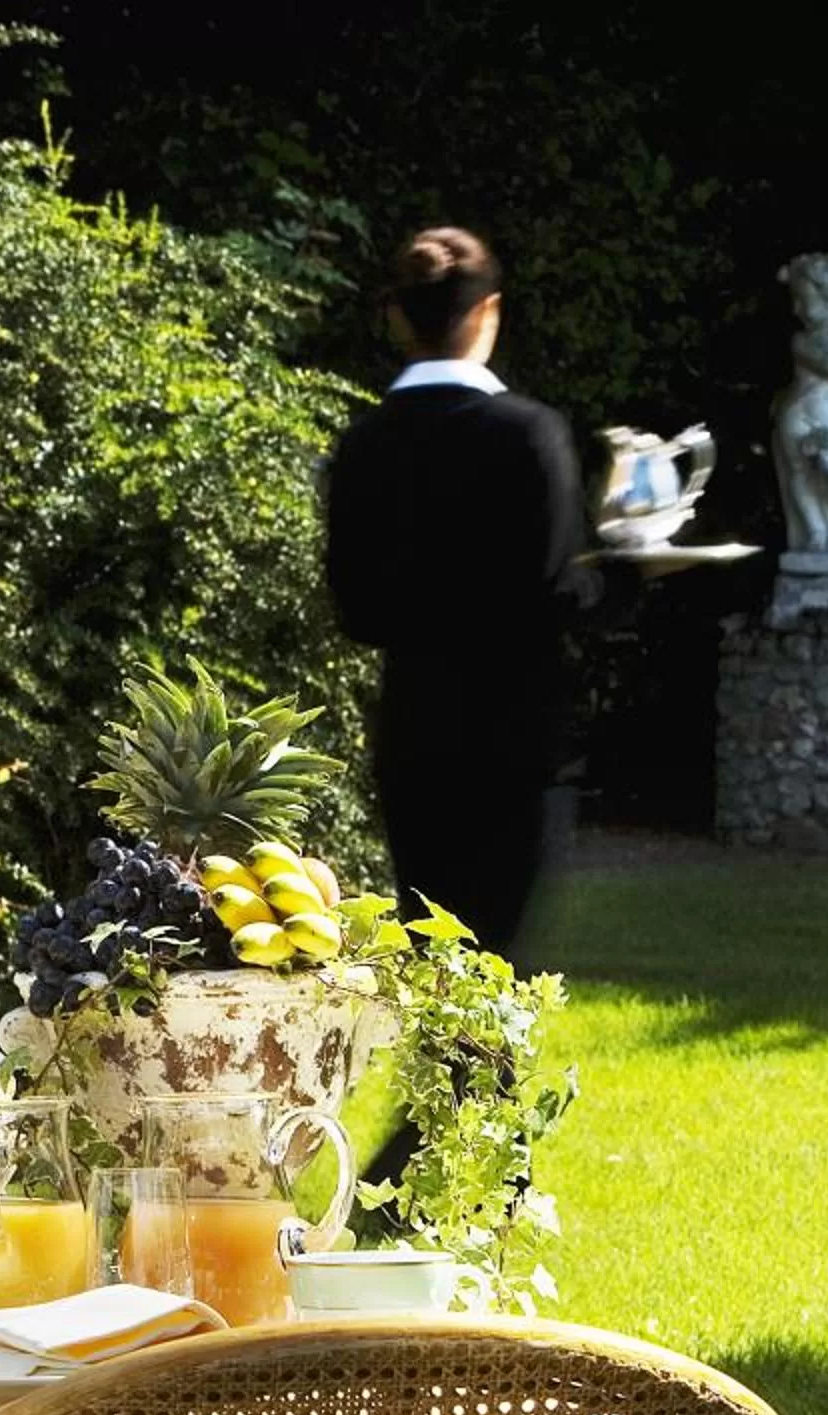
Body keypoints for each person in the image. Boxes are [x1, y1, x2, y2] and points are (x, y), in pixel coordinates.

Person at [323, 225, 622, 966]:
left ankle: (447, 1086)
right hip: (519, 734)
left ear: (396, 315)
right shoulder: (529, 434)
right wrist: (629, 570)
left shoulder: (364, 445)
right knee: (500, 962)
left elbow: (356, 610)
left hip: (417, 732)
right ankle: (477, 1089)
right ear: (488, 311)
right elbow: (561, 591)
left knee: (435, 956)